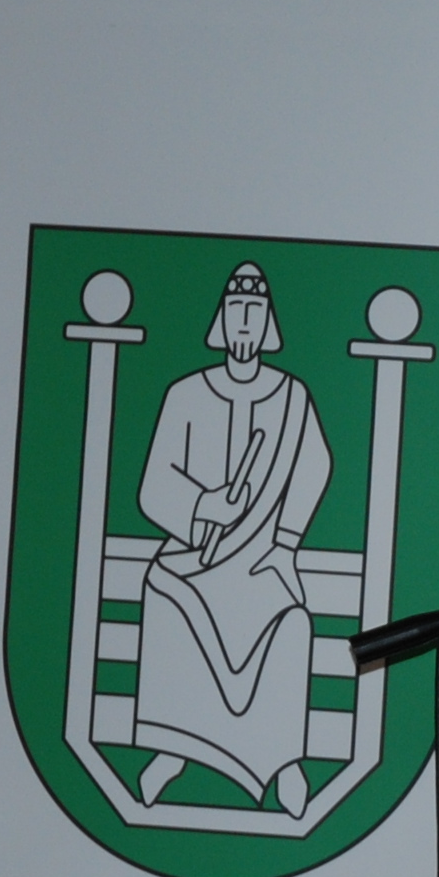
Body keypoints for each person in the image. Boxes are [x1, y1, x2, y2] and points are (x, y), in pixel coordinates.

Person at [133, 260, 331, 814]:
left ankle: (284, 761)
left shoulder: (292, 398)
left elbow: (314, 465)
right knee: (167, 593)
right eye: (237, 310)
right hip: (192, 555)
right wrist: (204, 504)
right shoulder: (185, 394)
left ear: (268, 325)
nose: (245, 323)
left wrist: (285, 544)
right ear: (221, 321)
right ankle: (172, 747)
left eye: (255, 312)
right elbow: (152, 486)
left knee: (290, 621)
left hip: (263, 557)